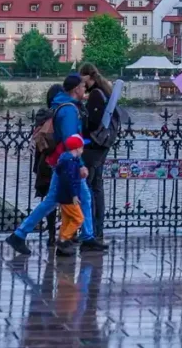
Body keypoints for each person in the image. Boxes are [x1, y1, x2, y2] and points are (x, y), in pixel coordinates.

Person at [6, 74, 108, 255]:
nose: (85, 89)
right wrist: (81, 164)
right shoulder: (69, 110)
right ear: (76, 89)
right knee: (59, 200)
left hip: (63, 161)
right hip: (68, 162)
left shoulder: (62, 105)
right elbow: (71, 141)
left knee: (75, 198)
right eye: (83, 86)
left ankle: (84, 237)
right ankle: (20, 234)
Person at [79, 62, 117, 241]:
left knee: (90, 188)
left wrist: (83, 120)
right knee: (97, 187)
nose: (81, 82)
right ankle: (97, 229)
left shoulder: (95, 93)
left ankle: (91, 229)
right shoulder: (104, 91)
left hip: (93, 146)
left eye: (82, 78)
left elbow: (93, 122)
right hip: (102, 145)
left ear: (89, 76)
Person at [32, 84, 65, 246]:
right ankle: (65, 234)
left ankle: (51, 234)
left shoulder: (42, 115)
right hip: (57, 160)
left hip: (43, 162)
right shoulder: (61, 114)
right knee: (64, 198)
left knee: (48, 198)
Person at [54, 134, 86, 256]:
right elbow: (70, 180)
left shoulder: (66, 159)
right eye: (82, 148)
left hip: (63, 196)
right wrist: (74, 195)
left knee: (67, 220)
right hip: (69, 197)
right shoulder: (70, 162)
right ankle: (63, 240)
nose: (83, 150)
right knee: (79, 218)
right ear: (77, 148)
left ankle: (61, 246)